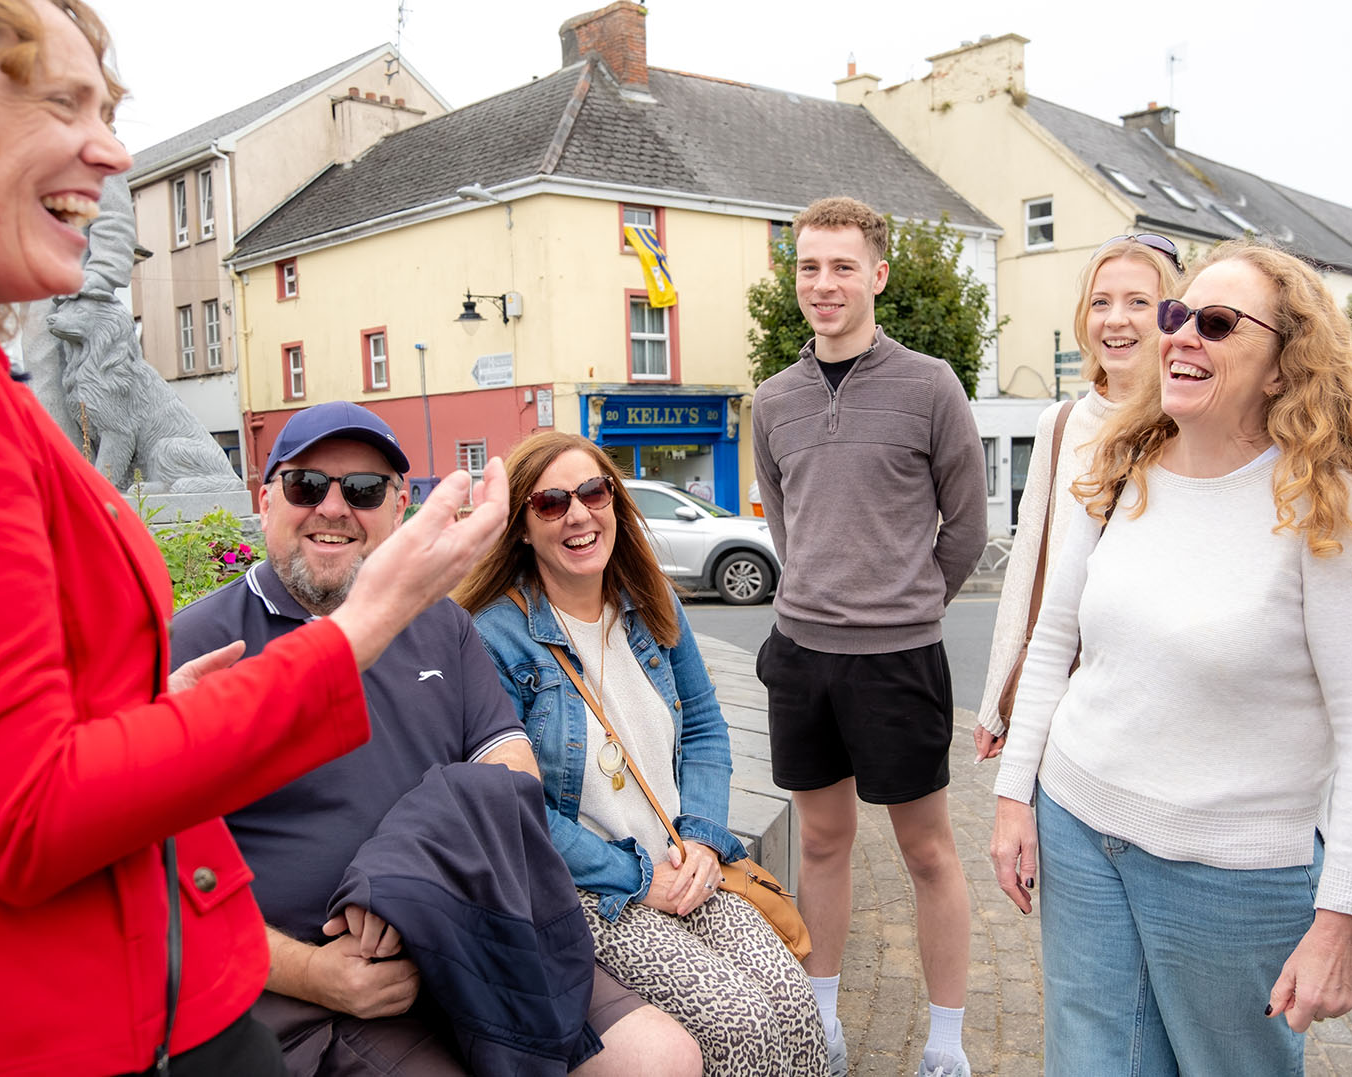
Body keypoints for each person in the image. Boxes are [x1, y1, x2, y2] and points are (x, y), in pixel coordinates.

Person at [0, 4, 506, 1073]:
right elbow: (19, 814)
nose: (110, 151)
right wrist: (373, 616)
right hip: (32, 1023)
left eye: (107, 111)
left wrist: (155, 712)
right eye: (59, 101)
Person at [989, 238, 1352, 1074]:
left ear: (1281, 367)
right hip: (1079, 828)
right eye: (1177, 314)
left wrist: (1343, 918)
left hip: (1232, 877)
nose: (1182, 335)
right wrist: (1015, 796)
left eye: (1218, 323)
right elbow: (1056, 636)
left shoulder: (1329, 503)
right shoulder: (1121, 463)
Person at [170, 403, 700, 1076]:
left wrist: (397, 878)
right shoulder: (196, 646)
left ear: (399, 508)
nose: (334, 508)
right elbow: (157, 890)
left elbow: (511, 771)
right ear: (265, 496)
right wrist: (314, 973)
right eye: (308, 485)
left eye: (363, 490)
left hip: (473, 929)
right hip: (320, 988)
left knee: (664, 1058)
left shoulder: (438, 623)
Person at [456, 432, 827, 1076]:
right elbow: (517, 810)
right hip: (591, 891)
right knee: (739, 1024)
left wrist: (705, 840)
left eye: (593, 492)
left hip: (681, 863)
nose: (578, 515)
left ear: (614, 503)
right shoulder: (496, 638)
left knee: (794, 1002)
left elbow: (707, 727)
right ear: (520, 528)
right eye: (549, 503)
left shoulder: (650, 599)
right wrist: (635, 877)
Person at [751, 196, 988, 1077]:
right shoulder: (772, 400)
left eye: (842, 266)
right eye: (810, 267)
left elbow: (964, 526)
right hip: (802, 656)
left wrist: (908, 598)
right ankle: (825, 1022)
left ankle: (948, 1043)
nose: (824, 284)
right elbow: (788, 525)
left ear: (877, 275)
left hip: (898, 659)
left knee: (927, 850)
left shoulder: (930, 385)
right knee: (820, 842)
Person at [973, 235, 1181, 761]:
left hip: (1159, 699)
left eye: (1139, 302)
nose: (1116, 319)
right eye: (1100, 302)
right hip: (1061, 691)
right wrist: (998, 698)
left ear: (1176, 316)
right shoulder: (1060, 426)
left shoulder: (1196, 424)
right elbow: (1027, 564)